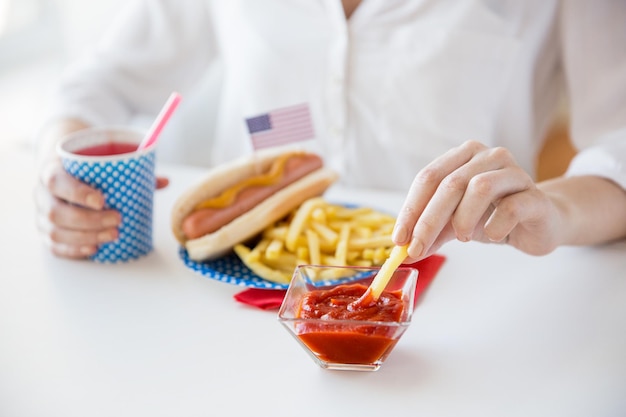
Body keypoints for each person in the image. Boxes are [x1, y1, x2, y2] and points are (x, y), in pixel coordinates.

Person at [35, 0, 626, 261]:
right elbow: (95, 84)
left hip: (459, 300)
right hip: (233, 289)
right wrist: (59, 173)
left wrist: (556, 211)